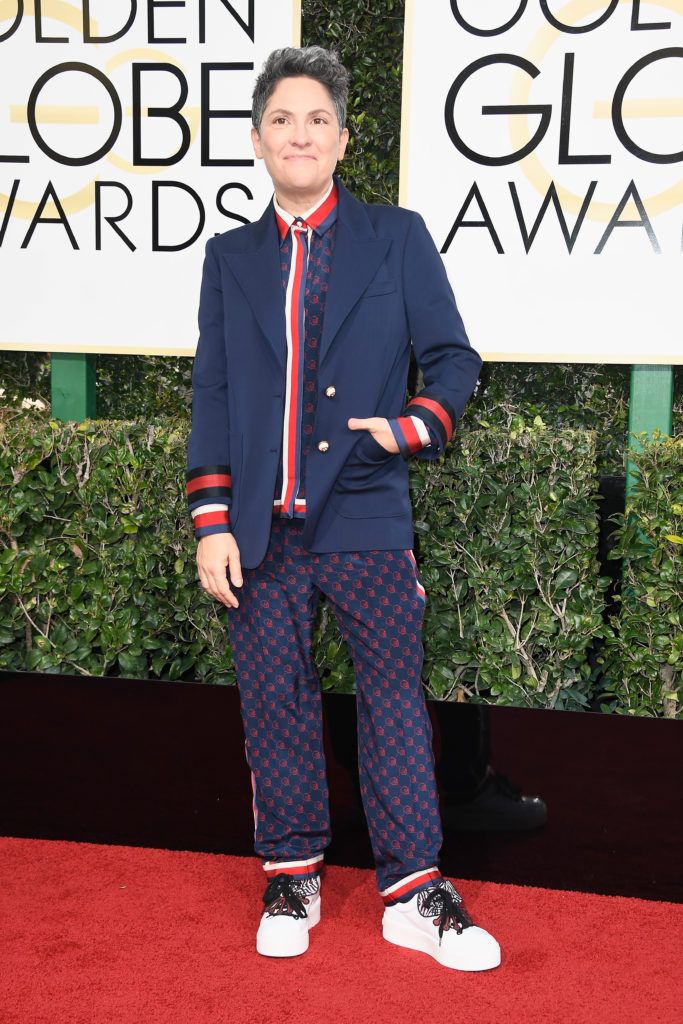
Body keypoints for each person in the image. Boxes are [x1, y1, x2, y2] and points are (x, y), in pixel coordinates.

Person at [186, 45, 501, 972]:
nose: (299, 133)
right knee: (273, 703)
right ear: (257, 140)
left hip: (365, 507)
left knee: (395, 705)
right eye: (281, 118)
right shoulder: (228, 257)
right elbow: (212, 391)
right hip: (259, 529)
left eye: (316, 118)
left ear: (342, 139)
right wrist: (211, 520)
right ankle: (292, 872)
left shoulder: (395, 237)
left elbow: (453, 360)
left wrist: (406, 428)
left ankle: (411, 891)